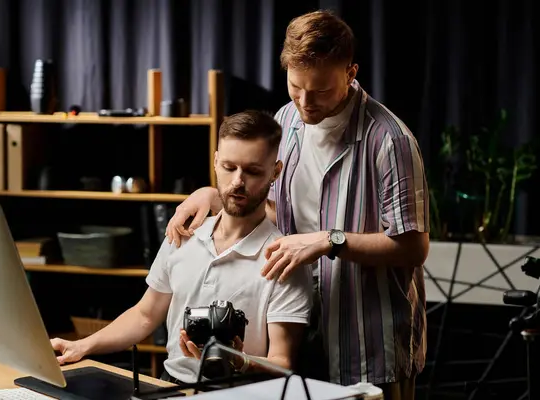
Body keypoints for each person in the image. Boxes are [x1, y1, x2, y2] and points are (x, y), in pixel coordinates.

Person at [165, 10, 429, 400]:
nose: (306, 102)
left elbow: (414, 247)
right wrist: (216, 196)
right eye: (295, 85)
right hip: (300, 340)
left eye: (321, 90)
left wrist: (329, 240)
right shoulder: (286, 121)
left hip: (368, 346)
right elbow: (274, 207)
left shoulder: (390, 141)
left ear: (351, 72)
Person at [50, 110, 312, 385]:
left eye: (253, 171)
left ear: (275, 172)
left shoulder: (283, 258)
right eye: (228, 167)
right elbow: (144, 315)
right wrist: (82, 346)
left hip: (239, 393)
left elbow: (282, 363)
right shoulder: (184, 233)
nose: (237, 181)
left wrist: (236, 361)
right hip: (170, 386)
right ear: (214, 162)